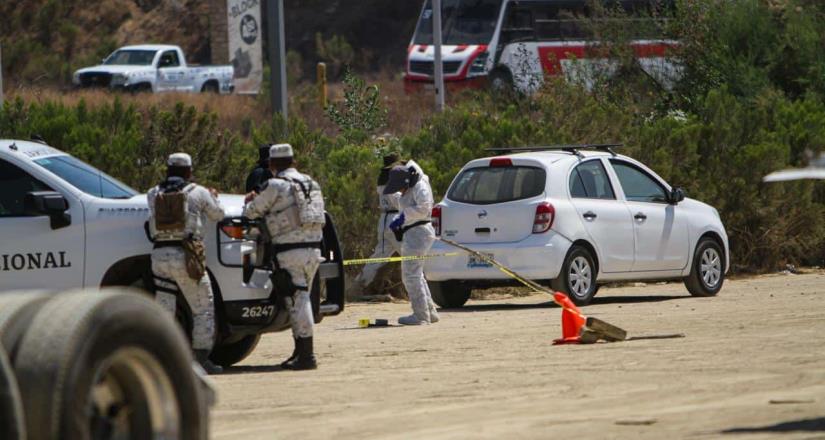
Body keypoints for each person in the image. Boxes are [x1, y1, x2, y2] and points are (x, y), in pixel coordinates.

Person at [243, 144, 326, 370]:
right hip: (313, 250)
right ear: (294, 162)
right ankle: (300, 352)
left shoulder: (276, 185)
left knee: (297, 302)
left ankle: (307, 356)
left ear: (272, 165)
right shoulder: (311, 183)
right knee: (302, 300)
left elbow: (251, 212)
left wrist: (251, 199)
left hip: (290, 251)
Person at [148, 153, 225, 374]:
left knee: (165, 310)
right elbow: (218, 214)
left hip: (160, 256)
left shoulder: (153, 193)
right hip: (187, 256)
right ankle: (200, 360)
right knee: (203, 308)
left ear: (167, 169)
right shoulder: (198, 192)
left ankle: (161, 361)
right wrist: (213, 197)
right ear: (189, 172)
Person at [384, 162, 440, 325]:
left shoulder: (420, 186)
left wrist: (401, 218)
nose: (400, 191)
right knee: (416, 274)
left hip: (418, 233)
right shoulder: (413, 187)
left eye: (400, 187)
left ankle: (421, 316)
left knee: (410, 276)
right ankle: (429, 312)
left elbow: (423, 208)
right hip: (415, 233)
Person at [352, 152, 403, 292]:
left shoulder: (383, 181)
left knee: (379, 257)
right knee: (411, 255)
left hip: (384, 220)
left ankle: (358, 284)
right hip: (395, 221)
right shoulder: (391, 183)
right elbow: (400, 204)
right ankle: (422, 288)